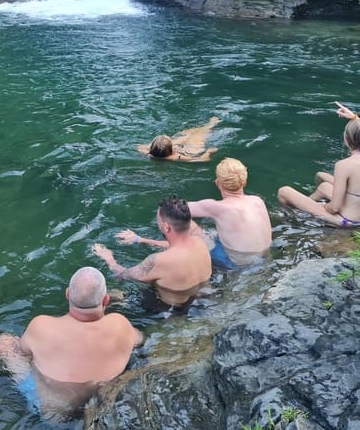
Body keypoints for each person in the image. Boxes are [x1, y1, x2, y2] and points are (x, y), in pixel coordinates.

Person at [0, 266, 144, 420]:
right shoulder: (120, 324)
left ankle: (31, 394)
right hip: (106, 400)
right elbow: (140, 340)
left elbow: (23, 351)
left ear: (67, 294)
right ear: (106, 299)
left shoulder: (41, 326)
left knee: (5, 343)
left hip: (55, 410)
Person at [117, 158, 272, 268]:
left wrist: (142, 237)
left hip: (237, 265)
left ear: (217, 182)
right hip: (265, 258)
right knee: (191, 225)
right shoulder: (257, 201)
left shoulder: (215, 207)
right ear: (244, 182)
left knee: (183, 222)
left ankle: (140, 240)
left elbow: (168, 208)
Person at [93, 197, 212, 308]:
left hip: (170, 310)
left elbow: (124, 275)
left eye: (158, 220)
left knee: (112, 296)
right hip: (201, 298)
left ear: (166, 227)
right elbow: (175, 246)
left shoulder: (158, 260)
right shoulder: (200, 243)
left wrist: (109, 258)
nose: (157, 223)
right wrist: (139, 240)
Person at [278, 118, 360, 228]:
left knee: (284, 191)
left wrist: (323, 207)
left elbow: (334, 208)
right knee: (324, 186)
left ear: (346, 139)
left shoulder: (343, 165)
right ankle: (303, 209)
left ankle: (294, 218)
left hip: (346, 221)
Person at [137, 116, 220, 162]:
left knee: (186, 134)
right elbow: (203, 159)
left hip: (176, 148)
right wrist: (209, 152)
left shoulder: (148, 153)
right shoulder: (176, 157)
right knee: (197, 135)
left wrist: (154, 148)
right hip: (189, 150)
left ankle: (198, 130)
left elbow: (139, 146)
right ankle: (211, 124)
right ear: (171, 149)